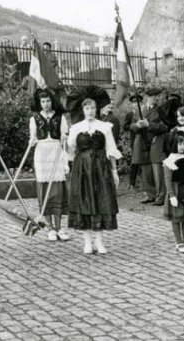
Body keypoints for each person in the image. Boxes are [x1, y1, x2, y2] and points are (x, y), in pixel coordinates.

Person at [66, 86, 121, 254]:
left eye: (92, 108)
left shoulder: (105, 127)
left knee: (100, 202)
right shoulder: (76, 128)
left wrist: (114, 171)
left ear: (96, 109)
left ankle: (99, 241)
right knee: (84, 202)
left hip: (100, 169)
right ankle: (87, 242)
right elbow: (70, 150)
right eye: (87, 108)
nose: (90, 111)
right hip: (82, 169)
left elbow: (111, 149)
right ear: (83, 110)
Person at [29, 89, 70, 242]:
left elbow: (64, 137)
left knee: (57, 190)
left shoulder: (60, 117)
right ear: (39, 103)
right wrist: (31, 141)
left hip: (56, 151)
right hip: (41, 153)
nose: (46, 104)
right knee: (45, 188)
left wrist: (65, 137)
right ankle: (50, 228)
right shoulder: (34, 118)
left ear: (52, 101)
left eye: (48, 101)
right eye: (43, 102)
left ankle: (59, 228)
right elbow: (32, 137)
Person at [131, 87, 168, 206]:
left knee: (158, 171)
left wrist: (149, 125)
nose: (157, 98)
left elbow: (165, 127)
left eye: (158, 96)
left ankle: (161, 196)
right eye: (154, 96)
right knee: (146, 171)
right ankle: (150, 194)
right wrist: (137, 125)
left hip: (155, 142)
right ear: (148, 97)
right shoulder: (139, 110)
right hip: (142, 143)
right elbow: (131, 126)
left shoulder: (161, 110)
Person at [162, 131, 184, 253]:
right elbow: (167, 180)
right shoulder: (169, 161)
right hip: (177, 192)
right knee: (177, 218)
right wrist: (171, 195)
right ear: (173, 145)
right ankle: (179, 242)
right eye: (179, 144)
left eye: (183, 144)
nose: (182, 146)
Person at [124, 92, 144, 191]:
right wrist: (134, 126)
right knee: (135, 161)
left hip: (144, 139)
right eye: (135, 103)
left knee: (144, 160)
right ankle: (132, 183)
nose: (136, 105)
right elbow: (125, 126)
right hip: (134, 139)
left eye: (138, 103)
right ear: (132, 104)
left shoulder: (143, 112)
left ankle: (144, 183)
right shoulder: (130, 114)